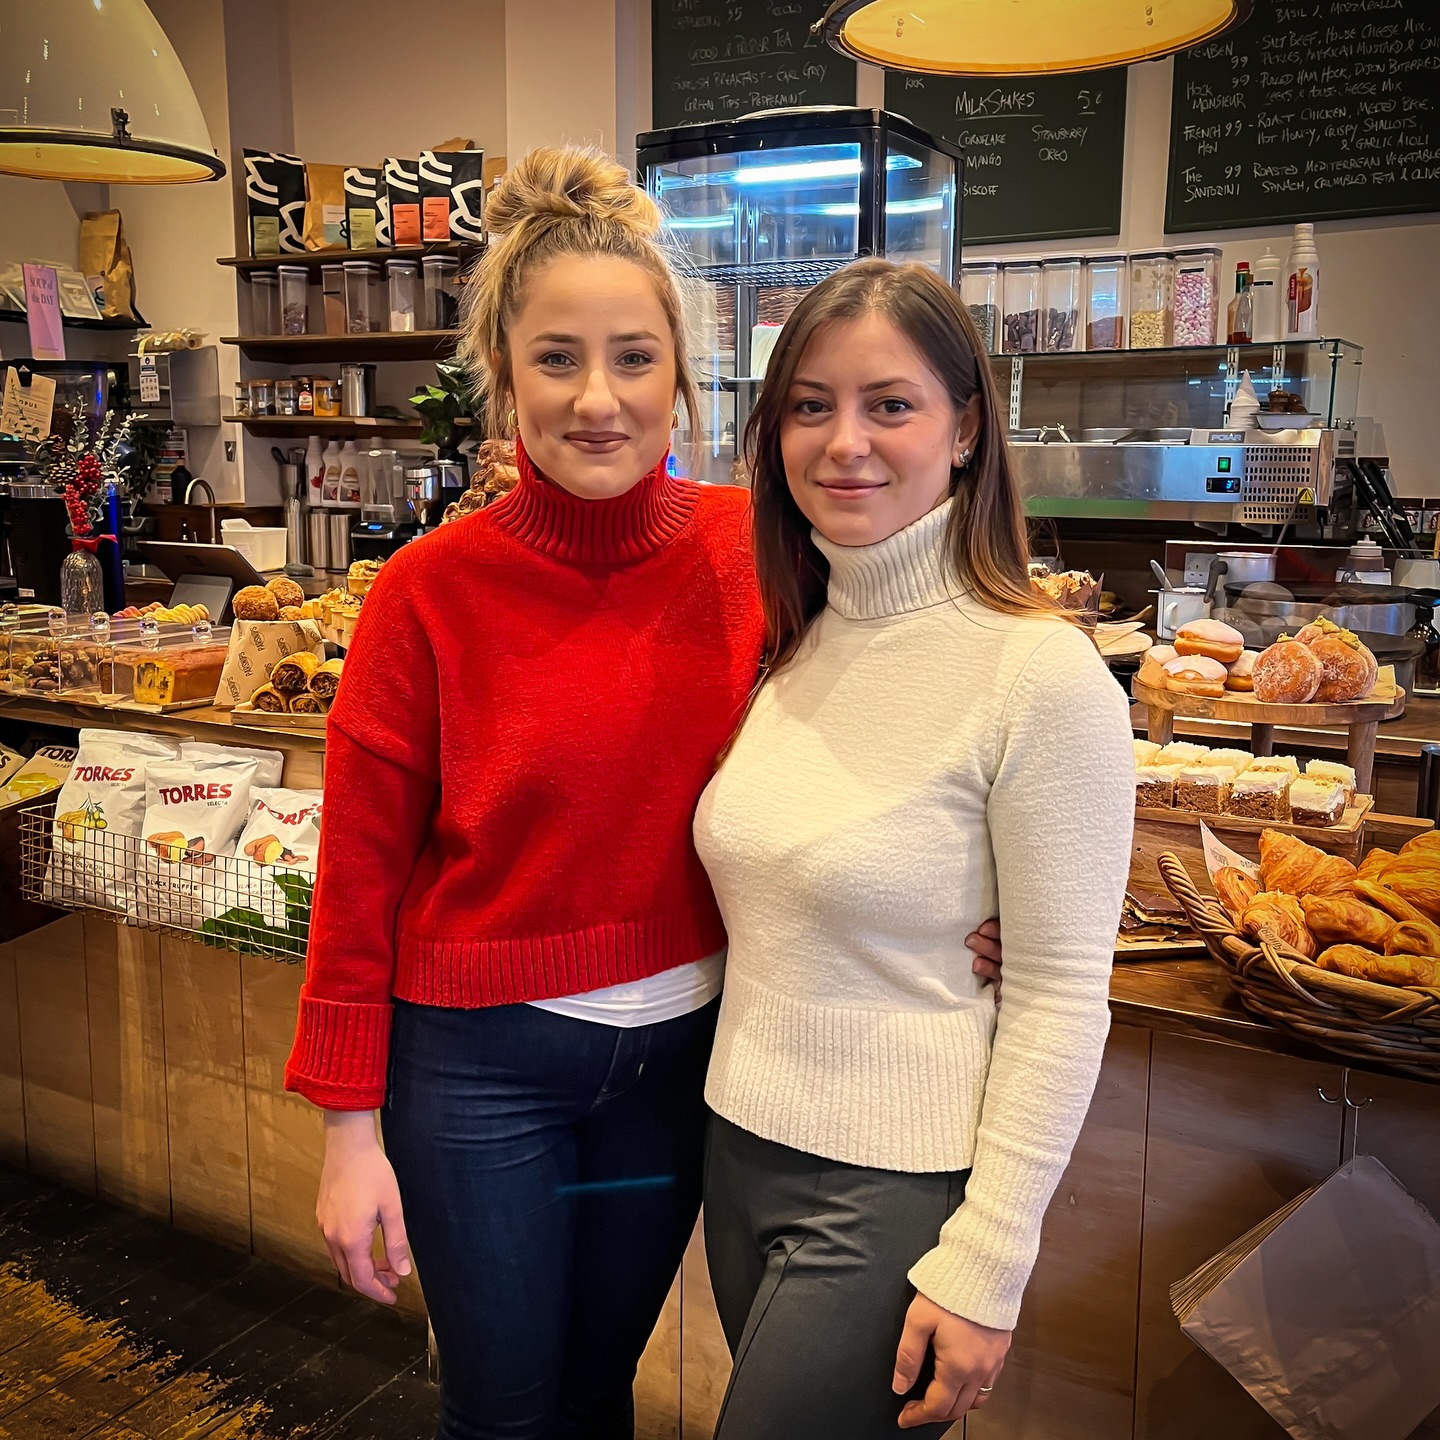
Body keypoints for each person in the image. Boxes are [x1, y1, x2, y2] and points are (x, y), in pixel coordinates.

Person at [283, 146, 1007, 1440]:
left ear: (681, 372)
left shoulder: (759, 551)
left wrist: (974, 892)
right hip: (479, 1074)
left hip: (685, 1069)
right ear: (503, 373)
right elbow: (358, 882)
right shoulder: (427, 594)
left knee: (598, 1392)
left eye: (633, 358)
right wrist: (348, 1133)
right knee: (503, 1412)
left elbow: (895, 712)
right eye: (557, 359)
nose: (598, 399)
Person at [695, 259, 1135, 1439]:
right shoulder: (794, 642)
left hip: (893, 1189)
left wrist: (990, 1263)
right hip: (736, 1152)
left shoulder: (1038, 673)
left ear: (966, 428)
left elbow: (1060, 995)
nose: (845, 442)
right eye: (810, 405)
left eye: (889, 403)